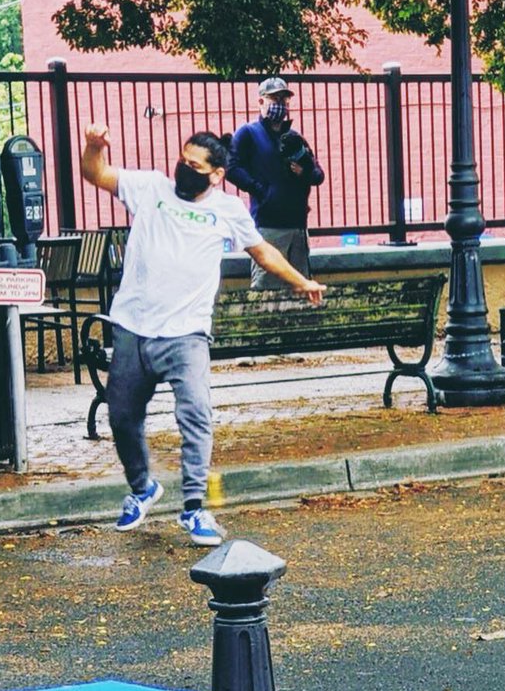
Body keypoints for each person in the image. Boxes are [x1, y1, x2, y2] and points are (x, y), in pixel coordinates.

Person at [80, 124, 325, 546]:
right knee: (121, 415)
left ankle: (194, 507)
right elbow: (96, 174)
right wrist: (92, 146)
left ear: (216, 174)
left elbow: (262, 252)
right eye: (182, 160)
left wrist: (300, 281)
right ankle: (142, 489)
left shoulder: (227, 209)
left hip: (187, 334)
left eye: (194, 166)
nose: (183, 169)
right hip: (133, 326)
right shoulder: (151, 188)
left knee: (195, 415)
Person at [224, 76, 324, 289]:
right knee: (266, 288)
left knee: (300, 288)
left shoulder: (294, 137)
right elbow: (231, 168)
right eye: (274, 98)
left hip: (297, 226)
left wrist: (304, 172)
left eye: (284, 99)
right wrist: (260, 190)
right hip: (268, 226)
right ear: (261, 101)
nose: (280, 104)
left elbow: (318, 174)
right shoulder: (248, 133)